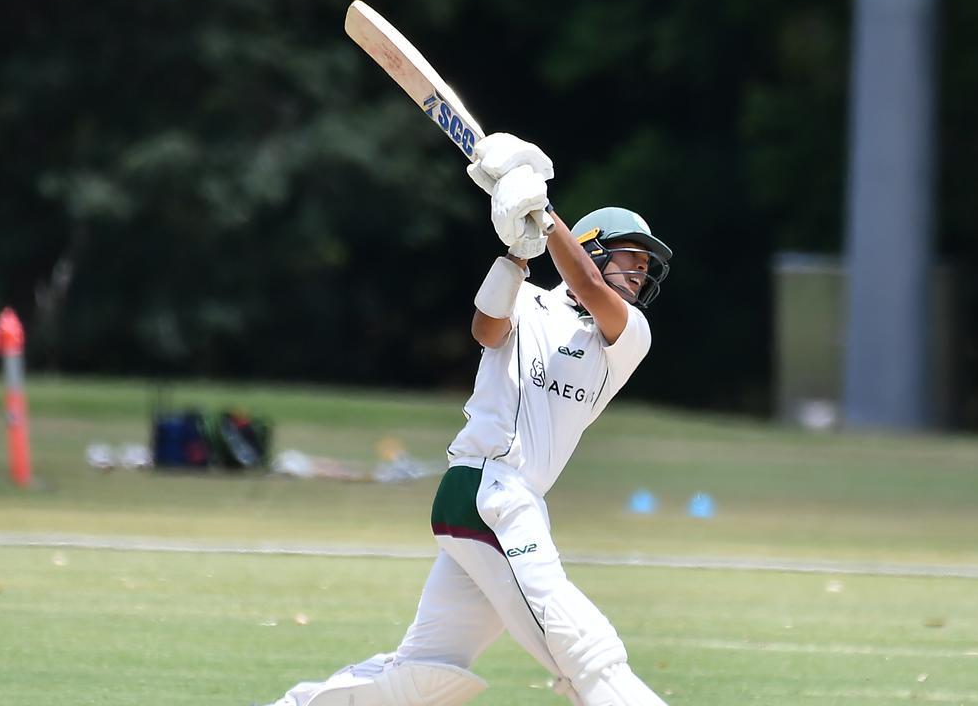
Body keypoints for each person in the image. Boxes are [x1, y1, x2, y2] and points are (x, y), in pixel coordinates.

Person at [262, 133, 674, 706]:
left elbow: (584, 282)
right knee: (588, 653)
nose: (640, 271)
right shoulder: (533, 301)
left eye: (645, 264)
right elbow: (486, 329)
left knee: (426, 672)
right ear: (594, 247)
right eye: (630, 257)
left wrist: (543, 209)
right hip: (489, 492)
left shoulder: (627, 335)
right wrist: (517, 251)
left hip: (502, 501)